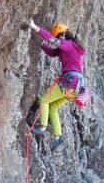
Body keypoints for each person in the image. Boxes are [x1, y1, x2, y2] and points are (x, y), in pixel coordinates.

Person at [28, 19, 86, 150]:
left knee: (44, 100)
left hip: (70, 81)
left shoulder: (68, 44)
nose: (58, 39)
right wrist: (42, 43)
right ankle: (58, 136)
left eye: (59, 36)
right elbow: (52, 52)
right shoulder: (72, 47)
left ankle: (42, 128)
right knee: (53, 107)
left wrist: (35, 27)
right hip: (76, 85)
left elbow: (54, 42)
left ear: (63, 34)